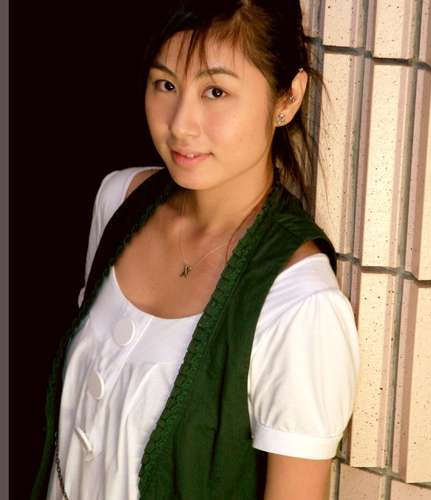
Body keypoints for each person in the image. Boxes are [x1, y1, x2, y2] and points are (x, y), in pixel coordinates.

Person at [31, 1, 360, 499]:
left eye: (215, 91)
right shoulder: (119, 201)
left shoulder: (300, 304)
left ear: (287, 98)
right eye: (165, 84)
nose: (181, 124)